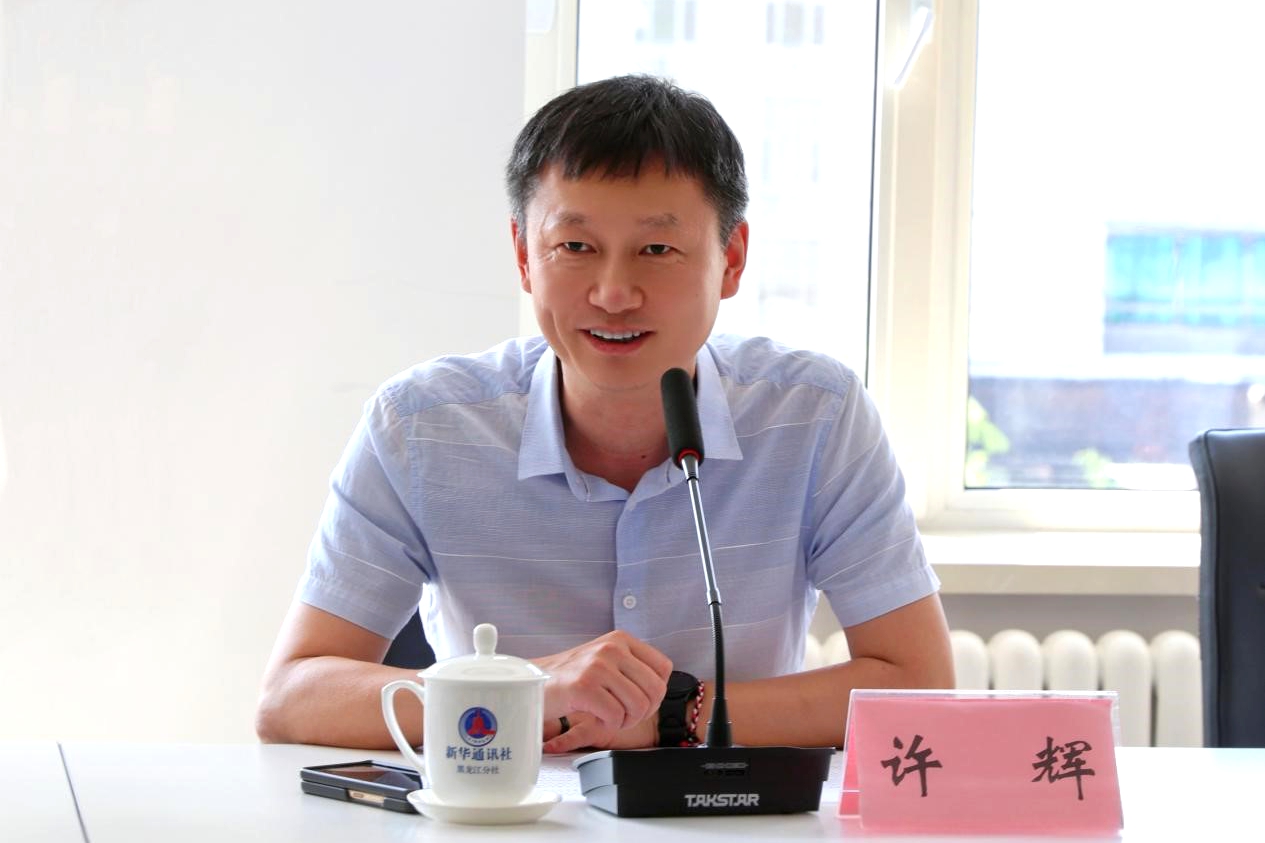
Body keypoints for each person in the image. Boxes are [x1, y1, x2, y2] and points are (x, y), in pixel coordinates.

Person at [255, 74, 953, 753]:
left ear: (732, 259)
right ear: (524, 256)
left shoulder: (816, 418)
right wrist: (528, 689)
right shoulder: (420, 427)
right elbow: (291, 697)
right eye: (575, 247)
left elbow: (918, 683)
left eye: (657, 249)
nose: (614, 293)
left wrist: (673, 715)